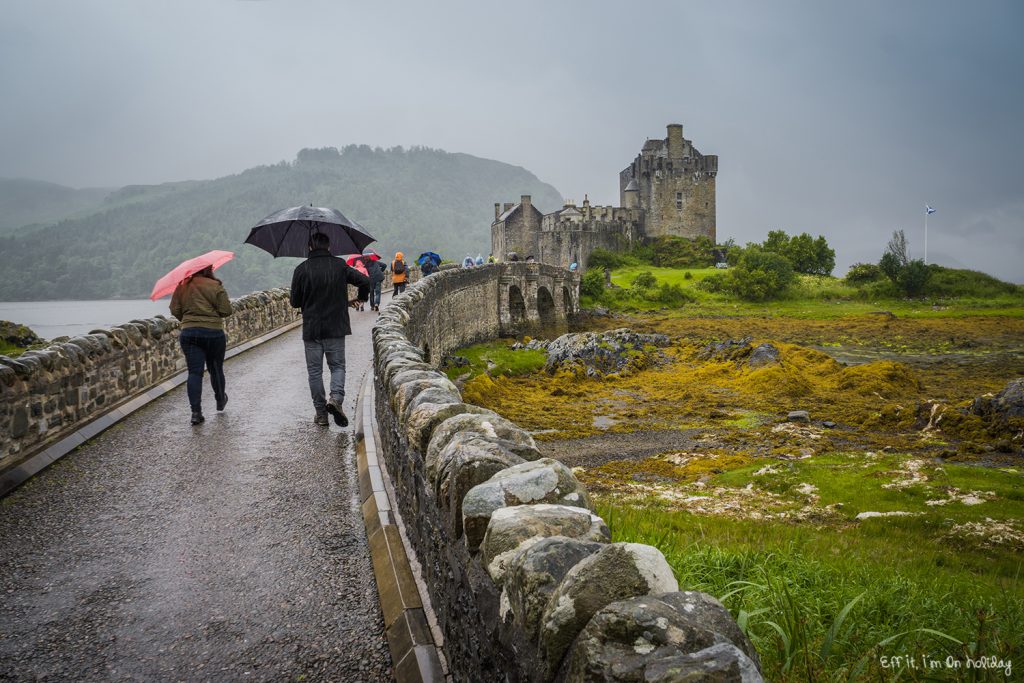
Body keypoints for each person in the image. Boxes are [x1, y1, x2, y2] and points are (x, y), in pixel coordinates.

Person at [290, 232, 371, 427]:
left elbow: (295, 302)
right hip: (336, 326)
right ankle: (336, 399)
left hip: (312, 329)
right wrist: (361, 298)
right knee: (337, 366)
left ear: (310, 247)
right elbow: (365, 281)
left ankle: (321, 414)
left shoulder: (301, 269)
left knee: (315, 372)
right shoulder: (339, 265)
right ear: (329, 246)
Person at [170, 266, 233, 425]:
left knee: (194, 373)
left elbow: (174, 309)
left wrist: (188, 320)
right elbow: (226, 310)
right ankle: (220, 400)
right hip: (213, 333)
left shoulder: (182, 286)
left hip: (189, 333)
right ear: (209, 270)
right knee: (215, 369)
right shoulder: (215, 286)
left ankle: (196, 413)